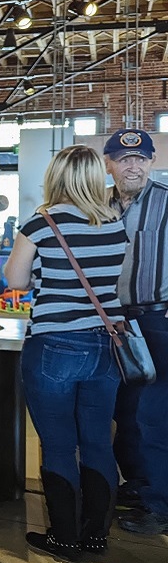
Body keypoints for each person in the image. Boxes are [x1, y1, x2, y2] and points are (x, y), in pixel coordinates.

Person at [4, 145, 128, 562]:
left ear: (55, 177)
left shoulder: (41, 224)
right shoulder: (117, 224)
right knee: (97, 441)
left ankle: (65, 537)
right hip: (107, 345)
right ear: (98, 176)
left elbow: (16, 280)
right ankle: (96, 535)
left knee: (58, 444)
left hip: (54, 345)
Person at [101, 129, 168, 536]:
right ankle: (141, 487)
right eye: (124, 159)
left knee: (153, 415)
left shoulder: (166, 202)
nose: (133, 165)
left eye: (141, 158)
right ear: (108, 164)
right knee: (122, 413)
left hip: (157, 322)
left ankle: (160, 503)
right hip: (111, 323)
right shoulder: (97, 206)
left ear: (151, 162)